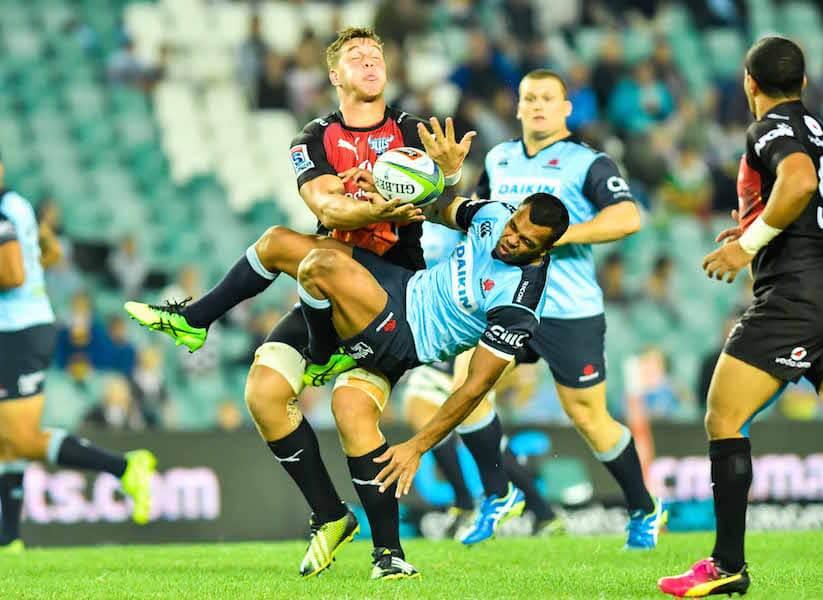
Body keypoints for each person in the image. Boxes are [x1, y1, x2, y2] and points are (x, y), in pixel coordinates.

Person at [125, 27, 474, 580]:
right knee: (265, 393)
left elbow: (438, 203)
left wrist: (446, 175)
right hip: (330, 284)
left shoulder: (410, 129)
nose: (369, 61)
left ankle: (390, 555)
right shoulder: (311, 138)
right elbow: (325, 208)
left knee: (307, 279)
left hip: (392, 294)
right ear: (334, 76)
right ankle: (331, 515)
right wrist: (378, 204)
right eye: (356, 56)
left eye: (376, 54)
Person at [659, 37, 823, 597]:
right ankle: (727, 565)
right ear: (805, 84)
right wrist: (758, 230)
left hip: (795, 298)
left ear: (750, 83)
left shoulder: (770, 129)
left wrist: (749, 246)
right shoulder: (821, 131)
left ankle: (727, 566)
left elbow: (798, 184)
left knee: (723, 418)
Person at [469, 69, 666, 549]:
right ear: (516, 107)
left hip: (568, 308)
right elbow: (477, 213)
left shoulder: (587, 163)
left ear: (565, 108)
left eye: (547, 98)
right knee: (467, 388)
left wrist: (557, 235)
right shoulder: (498, 159)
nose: (537, 105)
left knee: (589, 419)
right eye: (529, 97)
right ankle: (499, 494)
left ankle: (644, 507)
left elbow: (628, 217)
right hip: (508, 303)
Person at [0, 151, 156, 553]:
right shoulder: (17, 204)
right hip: (24, 324)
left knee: (20, 437)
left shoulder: (4, 211)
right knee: (7, 440)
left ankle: (125, 466)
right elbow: (49, 252)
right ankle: (10, 538)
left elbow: (13, 274)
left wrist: (25, 279)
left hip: (17, 330)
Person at [400, 221, 564, 541]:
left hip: (484, 332)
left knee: (472, 419)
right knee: (421, 407)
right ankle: (465, 501)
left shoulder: (482, 229)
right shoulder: (425, 225)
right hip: (448, 331)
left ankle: (539, 510)